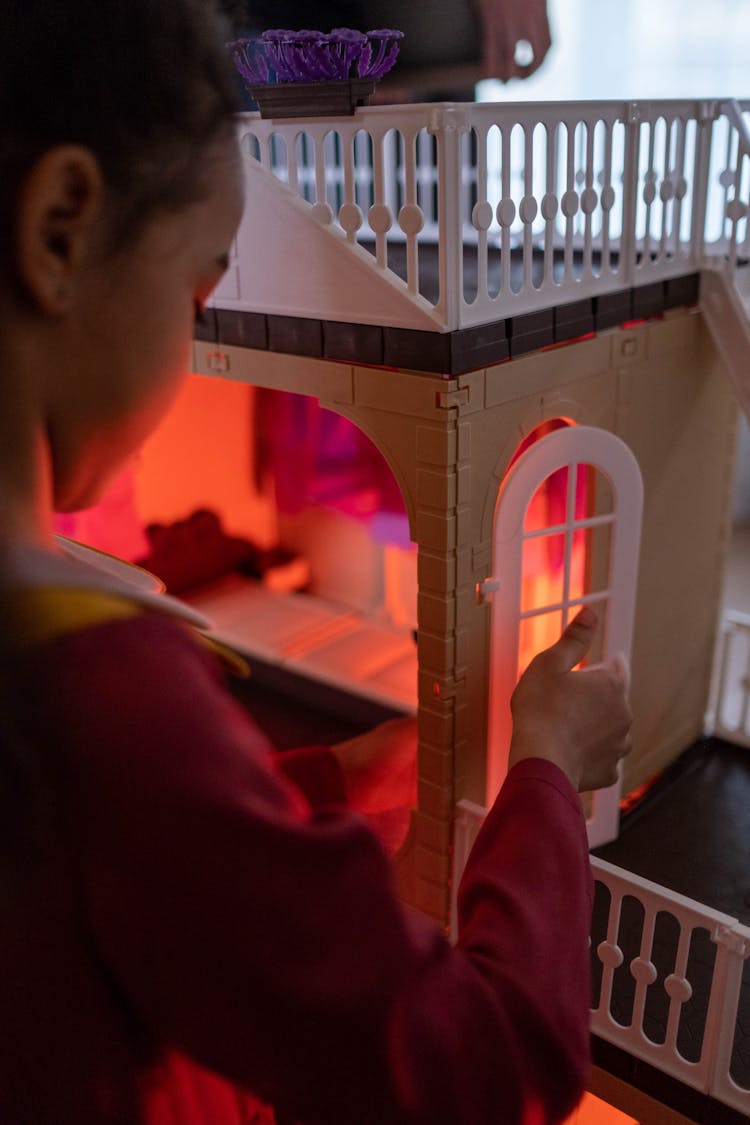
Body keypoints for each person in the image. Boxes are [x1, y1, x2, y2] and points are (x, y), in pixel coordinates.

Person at [0, 2, 632, 1123]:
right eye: (196, 293)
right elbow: (480, 1070)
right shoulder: (105, 694)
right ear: (60, 229)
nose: (198, 342)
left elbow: (114, 857)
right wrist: (542, 773)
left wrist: (329, 787)